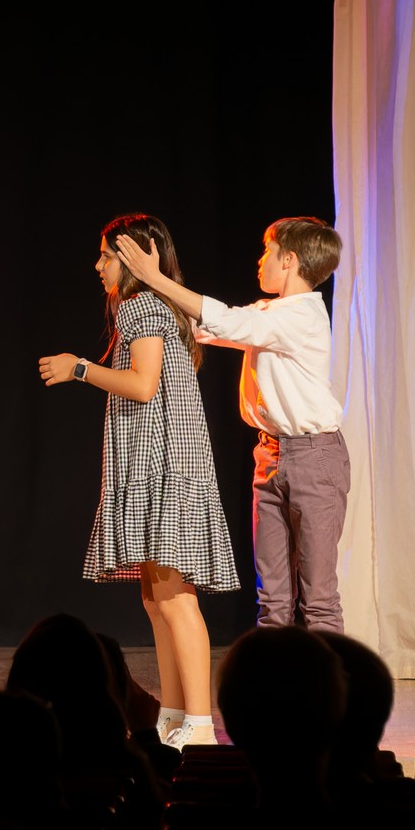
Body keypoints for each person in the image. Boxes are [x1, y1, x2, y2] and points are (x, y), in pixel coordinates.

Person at [38, 214, 239, 750]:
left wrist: (79, 368)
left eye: (106, 256)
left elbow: (144, 385)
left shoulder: (142, 306)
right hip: (155, 462)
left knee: (174, 597)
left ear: (130, 258)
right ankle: (173, 719)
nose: (97, 266)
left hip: (165, 464)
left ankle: (198, 727)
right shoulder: (153, 306)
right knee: (156, 599)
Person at [118, 216, 349, 632]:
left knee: (318, 600)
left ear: (289, 260)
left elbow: (226, 321)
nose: (260, 260)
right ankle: (269, 674)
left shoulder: (302, 316)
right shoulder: (269, 312)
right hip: (271, 455)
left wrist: (156, 278)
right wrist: (152, 288)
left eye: (268, 252)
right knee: (272, 599)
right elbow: (207, 326)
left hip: (314, 458)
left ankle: (328, 675)